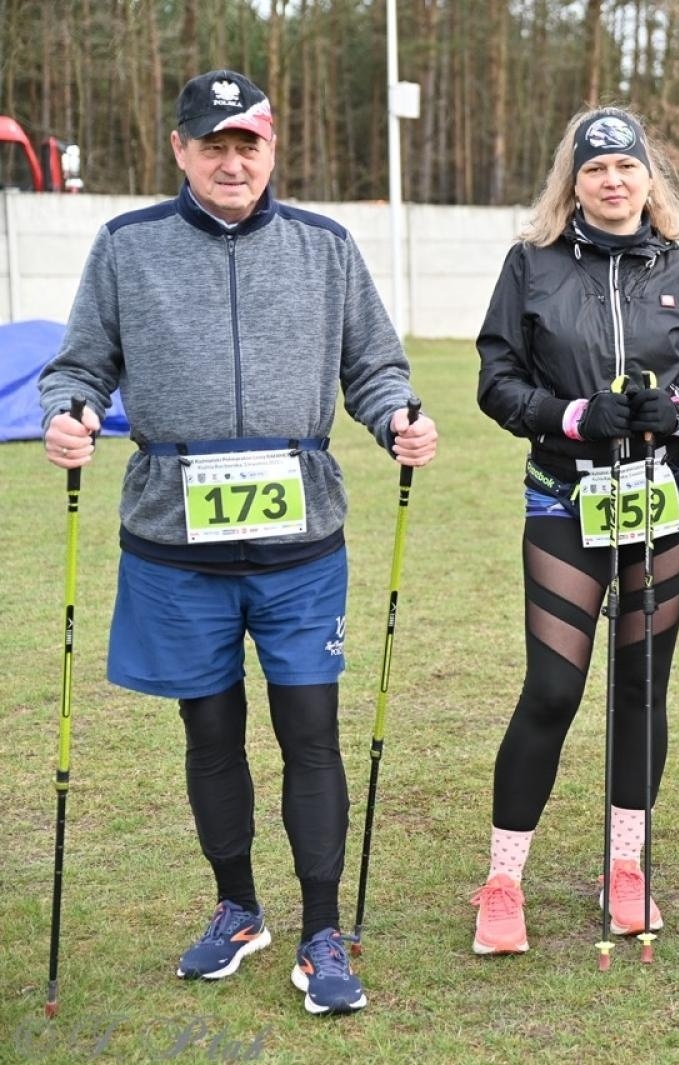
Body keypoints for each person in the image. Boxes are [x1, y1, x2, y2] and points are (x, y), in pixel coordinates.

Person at [37, 68, 438, 1015]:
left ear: (270, 150)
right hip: (176, 546)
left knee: (311, 733)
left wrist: (398, 421)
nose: (229, 161)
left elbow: (374, 366)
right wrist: (71, 412)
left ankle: (321, 929)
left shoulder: (325, 247)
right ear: (179, 149)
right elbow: (78, 364)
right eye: (210, 145)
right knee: (209, 733)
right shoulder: (126, 247)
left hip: (303, 546)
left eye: (245, 144)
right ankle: (237, 907)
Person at [472, 105, 679, 955]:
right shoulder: (532, 265)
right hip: (565, 499)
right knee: (552, 689)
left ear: (648, 179)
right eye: (595, 170)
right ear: (573, 182)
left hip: (667, 504)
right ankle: (503, 881)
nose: (613, 181)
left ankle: (626, 868)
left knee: (640, 688)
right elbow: (498, 382)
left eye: (626, 168)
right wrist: (577, 414)